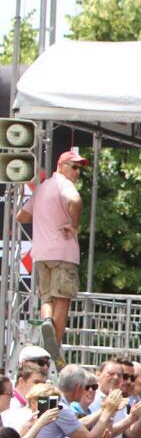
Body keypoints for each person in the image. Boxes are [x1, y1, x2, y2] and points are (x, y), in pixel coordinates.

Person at [17, 150, 88, 360]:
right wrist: (73, 226)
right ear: (61, 166)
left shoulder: (42, 188)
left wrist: (43, 217)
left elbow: (21, 216)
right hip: (63, 253)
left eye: (79, 169)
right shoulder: (63, 184)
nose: (77, 172)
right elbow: (76, 201)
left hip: (41, 254)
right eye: (74, 167)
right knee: (63, 300)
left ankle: (47, 322)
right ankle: (54, 350)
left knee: (46, 297)